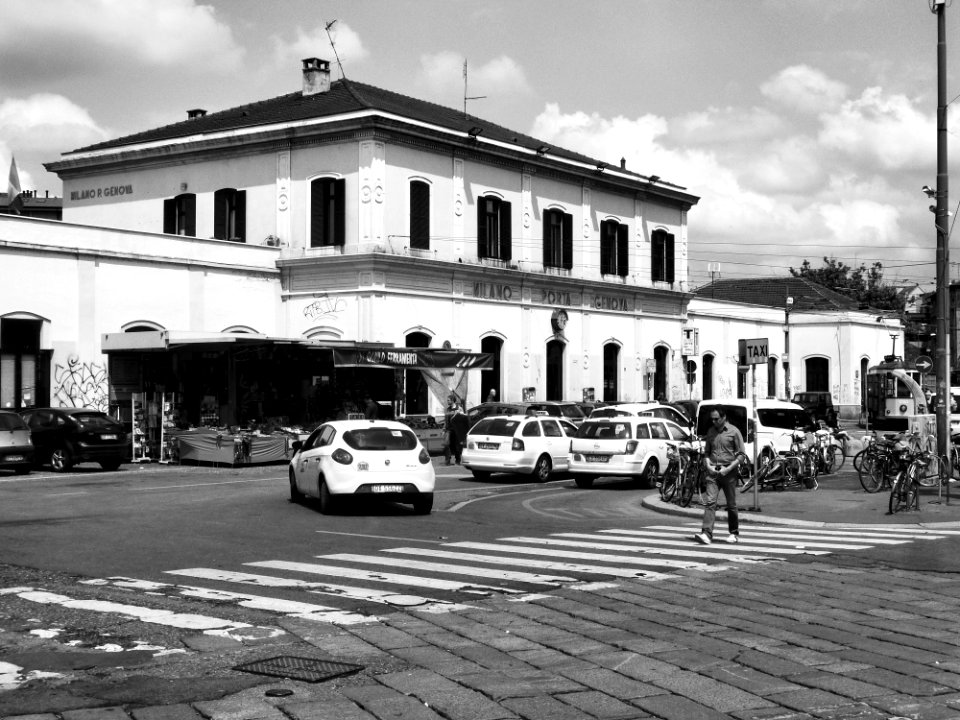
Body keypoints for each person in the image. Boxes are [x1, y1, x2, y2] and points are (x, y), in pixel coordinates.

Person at [695, 407, 745, 545]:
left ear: (724, 418)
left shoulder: (734, 432)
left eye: (716, 419)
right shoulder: (711, 431)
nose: (714, 421)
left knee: (731, 504)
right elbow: (706, 453)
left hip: (729, 473)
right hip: (713, 473)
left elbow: (741, 455)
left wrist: (728, 468)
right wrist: (708, 465)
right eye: (712, 419)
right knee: (710, 502)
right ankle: (706, 533)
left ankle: (734, 533)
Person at [443, 395, 458, 465]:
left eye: (448, 400)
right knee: (446, 444)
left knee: (456, 445)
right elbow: (445, 421)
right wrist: (444, 429)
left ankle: (458, 459)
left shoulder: (458, 409)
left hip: (456, 430)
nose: (447, 401)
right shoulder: (447, 409)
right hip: (448, 430)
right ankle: (447, 460)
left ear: (452, 400)